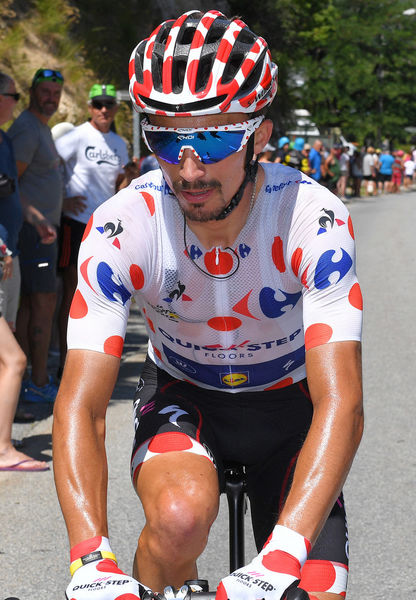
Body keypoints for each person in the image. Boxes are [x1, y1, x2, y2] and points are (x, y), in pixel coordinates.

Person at [53, 10, 362, 600]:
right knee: (176, 520)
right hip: (184, 396)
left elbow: (342, 400)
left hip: (289, 408)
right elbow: (82, 404)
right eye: (166, 138)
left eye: (215, 137)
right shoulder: (125, 224)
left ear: (260, 136)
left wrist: (282, 559)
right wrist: (90, 560)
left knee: (315, 588)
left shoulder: (309, 217)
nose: (189, 168)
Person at [55, 83, 137, 379]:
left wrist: (128, 179)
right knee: (73, 292)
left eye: (109, 104)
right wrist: (61, 198)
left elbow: (118, 188)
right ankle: (65, 363)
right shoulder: (76, 136)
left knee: (101, 295)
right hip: (75, 224)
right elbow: (48, 167)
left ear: (116, 108)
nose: (104, 110)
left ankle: (91, 364)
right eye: (98, 104)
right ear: (90, 107)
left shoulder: (118, 142)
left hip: (105, 229)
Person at [7, 68, 62, 403]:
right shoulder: (27, 128)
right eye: (45, 92)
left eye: (56, 94)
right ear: (30, 92)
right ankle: (38, 383)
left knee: (32, 307)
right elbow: (11, 183)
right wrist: (37, 217)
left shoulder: (41, 127)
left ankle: (30, 382)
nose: (51, 99)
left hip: (41, 231)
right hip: (32, 233)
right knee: (42, 304)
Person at [0, 70, 44, 469]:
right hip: (0, 255)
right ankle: (3, 448)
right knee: (12, 359)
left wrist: (32, 219)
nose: (16, 102)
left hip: (7, 254)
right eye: (13, 95)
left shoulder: (3, 138)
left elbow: (11, 193)